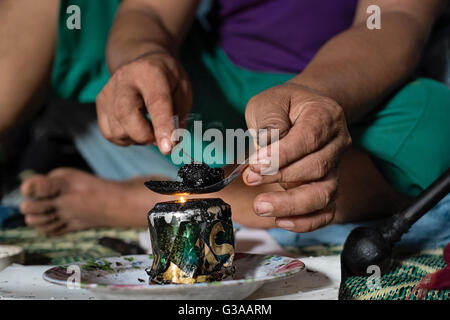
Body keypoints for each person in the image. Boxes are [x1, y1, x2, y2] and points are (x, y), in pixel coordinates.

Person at [2, 0, 449, 247]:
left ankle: (156, 202)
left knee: (438, 126)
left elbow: (392, 18)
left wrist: (319, 94)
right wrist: (145, 57)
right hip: (205, 89)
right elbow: (150, 13)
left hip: (342, 94)